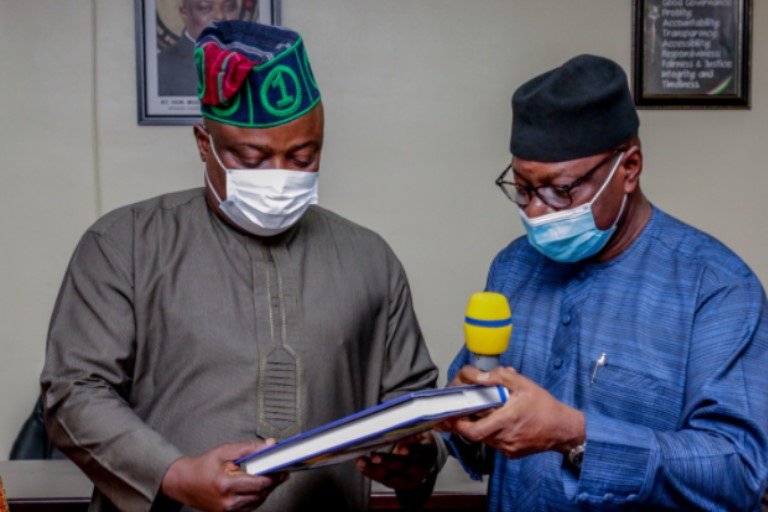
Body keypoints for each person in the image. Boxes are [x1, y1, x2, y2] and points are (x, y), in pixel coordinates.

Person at [42, 21, 443, 512]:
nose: (279, 176)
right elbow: (73, 394)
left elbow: (415, 402)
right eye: (252, 158)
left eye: (302, 156)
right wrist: (173, 474)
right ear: (203, 143)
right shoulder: (123, 245)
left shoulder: (369, 258)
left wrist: (420, 459)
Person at [440, 54, 768, 510]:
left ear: (629, 167)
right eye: (523, 188)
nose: (536, 211)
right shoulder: (513, 268)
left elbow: (740, 472)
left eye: (561, 189)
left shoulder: (716, 289)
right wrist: (451, 431)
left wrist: (575, 435)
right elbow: (486, 438)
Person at [158, 0, 239, 96]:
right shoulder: (161, 67)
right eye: (205, 8)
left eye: (229, 7)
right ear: (184, 14)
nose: (220, 16)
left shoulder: (252, 59)